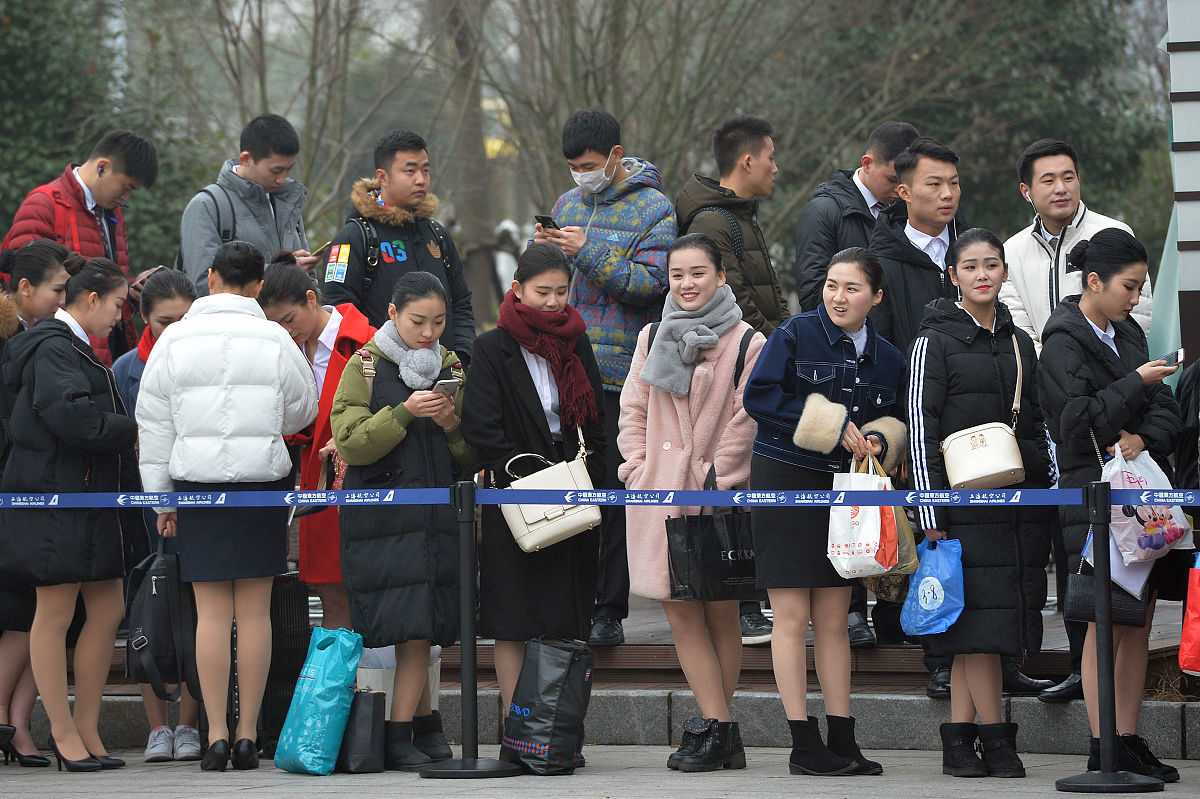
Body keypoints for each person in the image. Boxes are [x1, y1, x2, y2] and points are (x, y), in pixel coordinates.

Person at [136, 241, 318, 772]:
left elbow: (155, 424)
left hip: (196, 484)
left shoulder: (174, 339)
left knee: (211, 614)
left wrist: (160, 498)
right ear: (260, 284)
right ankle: (246, 735)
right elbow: (300, 408)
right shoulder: (274, 337)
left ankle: (213, 732)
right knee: (255, 612)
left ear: (210, 278)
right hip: (261, 484)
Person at [743, 247, 905, 777]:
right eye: (832, 285)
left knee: (836, 618)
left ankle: (842, 736)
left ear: (876, 297)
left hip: (847, 488)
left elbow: (896, 415)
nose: (838, 296)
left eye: (852, 288)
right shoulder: (793, 333)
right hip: (785, 481)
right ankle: (802, 743)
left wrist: (882, 436)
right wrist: (831, 425)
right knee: (790, 617)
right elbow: (759, 398)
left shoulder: (889, 357)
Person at [906, 228, 1054, 779]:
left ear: (1005, 273)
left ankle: (961, 740)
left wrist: (1039, 481)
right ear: (953, 276)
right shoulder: (933, 340)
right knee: (976, 632)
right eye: (970, 266)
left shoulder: (1020, 342)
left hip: (1015, 503)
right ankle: (995, 740)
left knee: (985, 630)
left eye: (992, 264)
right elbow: (920, 429)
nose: (983, 274)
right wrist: (930, 514)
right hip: (959, 507)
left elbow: (1037, 420)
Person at [1038, 228, 1183, 782]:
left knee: (1139, 621)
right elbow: (1075, 423)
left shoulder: (1129, 334)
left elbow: (1166, 411)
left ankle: (1128, 734)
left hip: (1138, 490)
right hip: (1091, 493)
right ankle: (1103, 744)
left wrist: (1140, 436)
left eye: (1141, 287)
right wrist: (1136, 383)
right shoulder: (1061, 341)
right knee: (1105, 618)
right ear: (1093, 281)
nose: (1136, 298)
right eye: (1129, 286)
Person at [617, 233, 764, 771]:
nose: (687, 284)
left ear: (721, 276)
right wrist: (637, 469)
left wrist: (716, 476)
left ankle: (717, 730)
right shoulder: (652, 334)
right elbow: (633, 406)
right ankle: (719, 726)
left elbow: (749, 419)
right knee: (681, 616)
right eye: (678, 275)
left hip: (714, 496)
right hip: (658, 494)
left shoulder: (748, 341)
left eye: (698, 273)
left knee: (723, 614)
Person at [0, 256, 150, 772]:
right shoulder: (54, 349)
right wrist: (130, 427)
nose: (118, 316)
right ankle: (62, 732)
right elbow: (74, 419)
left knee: (107, 610)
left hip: (89, 504)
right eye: (114, 305)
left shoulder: (73, 348)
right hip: (55, 501)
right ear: (90, 301)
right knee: (54, 613)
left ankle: (87, 727)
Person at [535, 107, 676, 647]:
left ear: (616, 156)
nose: (580, 174)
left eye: (589, 164)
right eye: (572, 165)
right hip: (561, 367)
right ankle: (565, 601)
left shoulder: (654, 208)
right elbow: (551, 278)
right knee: (565, 488)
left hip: (620, 376)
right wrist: (545, 254)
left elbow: (651, 283)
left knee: (614, 490)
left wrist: (587, 252)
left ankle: (609, 608)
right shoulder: (568, 205)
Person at [330, 271, 474, 771]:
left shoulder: (453, 366)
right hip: (383, 519)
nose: (429, 333)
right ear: (392, 314)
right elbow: (349, 441)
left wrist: (452, 422)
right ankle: (400, 733)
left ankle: (415, 729)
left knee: (426, 627)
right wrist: (406, 412)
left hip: (438, 519)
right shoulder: (365, 364)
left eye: (438, 322)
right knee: (406, 627)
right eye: (418, 321)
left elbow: (472, 455)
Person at [460, 242, 606, 718]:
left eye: (562, 292)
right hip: (516, 493)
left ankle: (559, 727)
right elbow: (482, 427)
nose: (554, 302)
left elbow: (595, 418)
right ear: (518, 290)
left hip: (575, 488)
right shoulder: (491, 348)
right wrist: (525, 473)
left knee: (567, 614)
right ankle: (517, 723)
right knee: (514, 617)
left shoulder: (576, 341)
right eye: (543, 292)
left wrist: (591, 475)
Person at [793, 121, 921, 648]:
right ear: (869, 165)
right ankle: (848, 608)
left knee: (884, 484)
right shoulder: (828, 209)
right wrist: (835, 333)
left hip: (881, 356)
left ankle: (891, 604)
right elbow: (809, 287)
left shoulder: (896, 213)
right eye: (896, 176)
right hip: (834, 362)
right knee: (842, 490)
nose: (902, 187)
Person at [110, 267, 202, 764]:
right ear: (144, 318)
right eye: (165, 321)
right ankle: (156, 727)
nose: (176, 330)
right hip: (142, 506)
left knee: (191, 609)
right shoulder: (125, 368)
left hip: (194, 501)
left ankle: (188, 724)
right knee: (145, 608)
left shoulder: (206, 358)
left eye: (186, 319)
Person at [258, 253, 375, 631]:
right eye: (275, 325)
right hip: (316, 481)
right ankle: (335, 688)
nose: (287, 331)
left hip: (363, 481)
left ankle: (374, 685)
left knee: (371, 591)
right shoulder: (281, 348)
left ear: (312, 299)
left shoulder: (367, 342)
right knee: (330, 595)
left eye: (289, 320)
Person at [0, 239, 72, 769]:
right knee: (23, 612)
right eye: (56, 290)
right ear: (24, 288)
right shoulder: (16, 341)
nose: (62, 300)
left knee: (35, 611)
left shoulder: (36, 336)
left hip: (31, 489)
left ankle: (17, 725)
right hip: (15, 488)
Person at [2, 130, 159, 366]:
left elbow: (101, 285)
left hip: (104, 353)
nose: (125, 198)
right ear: (102, 167)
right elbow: (22, 288)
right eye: (126, 187)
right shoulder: (45, 204)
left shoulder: (113, 214)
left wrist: (129, 292)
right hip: (58, 357)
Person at [321, 129, 475, 366]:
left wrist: (462, 357)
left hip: (444, 374)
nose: (421, 179)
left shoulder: (437, 234)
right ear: (382, 177)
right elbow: (338, 311)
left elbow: (461, 302)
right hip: (382, 378)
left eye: (425, 170)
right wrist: (382, 363)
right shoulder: (355, 237)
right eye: (410, 171)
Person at [1000, 139, 1151, 353]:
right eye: (1048, 181)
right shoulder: (1012, 252)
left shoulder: (1114, 233)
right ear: (1026, 191)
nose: (1061, 189)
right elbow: (1018, 325)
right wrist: (1053, 370)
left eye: (1068, 178)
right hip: (1045, 378)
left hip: (1112, 374)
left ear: (1079, 180)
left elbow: (1138, 312)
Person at [179, 114, 318, 296]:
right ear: (245, 158)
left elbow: (311, 283)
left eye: (289, 169)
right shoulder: (207, 206)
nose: (282, 179)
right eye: (276, 170)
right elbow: (204, 284)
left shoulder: (287, 202)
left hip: (287, 324)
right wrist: (285, 274)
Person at [794, 121, 920, 312]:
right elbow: (813, 295)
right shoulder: (824, 212)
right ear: (867, 164)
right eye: (892, 179)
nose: (899, 189)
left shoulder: (909, 209)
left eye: (908, 181)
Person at [867, 136, 963, 357]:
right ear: (904, 192)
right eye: (934, 184)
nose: (947, 194)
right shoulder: (880, 265)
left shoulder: (973, 253)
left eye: (954, 183)